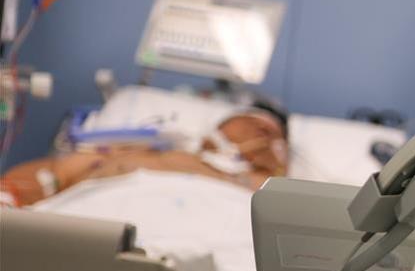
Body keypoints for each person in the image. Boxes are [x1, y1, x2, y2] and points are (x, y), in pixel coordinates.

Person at [1, 101, 289, 207]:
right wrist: (9, 196)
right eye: (252, 122)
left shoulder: (261, 188)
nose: (261, 132)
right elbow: (53, 174)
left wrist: (271, 168)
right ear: (220, 127)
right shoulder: (145, 151)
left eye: (272, 134)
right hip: (93, 224)